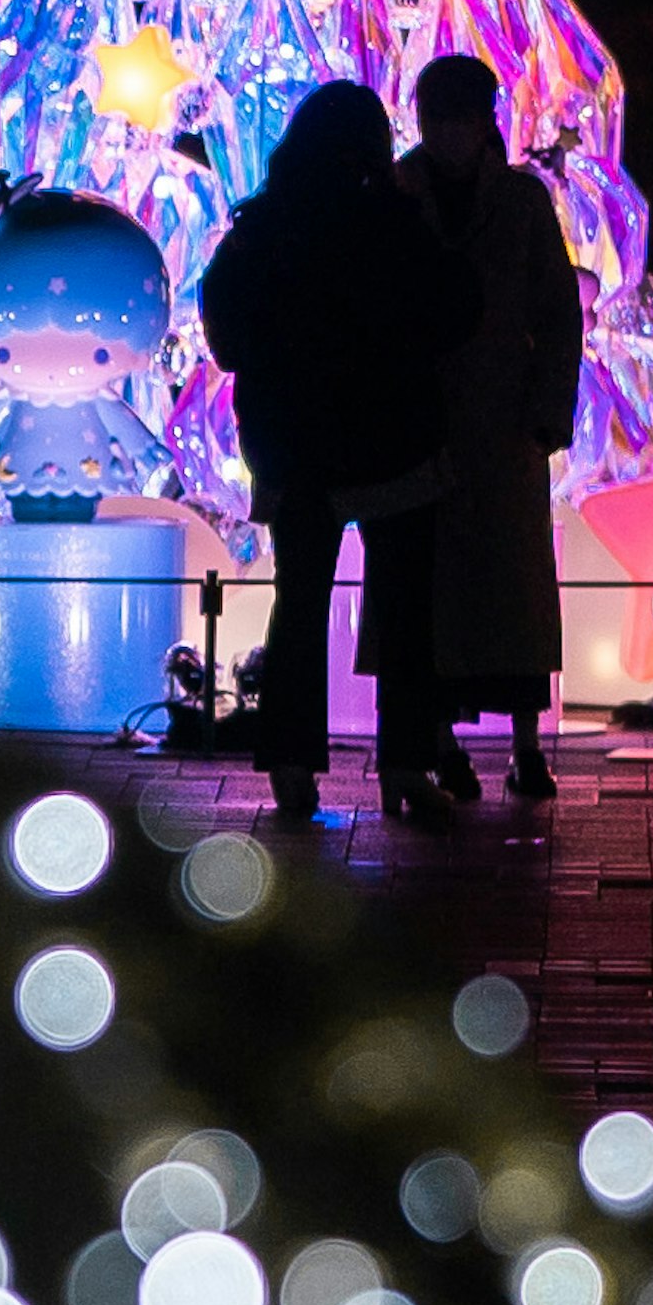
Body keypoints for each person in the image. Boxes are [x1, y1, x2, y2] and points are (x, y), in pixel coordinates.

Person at [198, 79, 481, 830]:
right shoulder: (392, 220)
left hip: (295, 450)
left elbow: (225, 330)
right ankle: (405, 765)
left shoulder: (263, 228)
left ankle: (292, 766)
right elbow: (455, 309)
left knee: (299, 605)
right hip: (393, 440)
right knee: (404, 607)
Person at [400, 48, 586, 804]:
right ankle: (440, 744)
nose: (445, 135)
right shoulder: (401, 191)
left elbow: (558, 314)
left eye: (459, 121)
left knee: (512, 594)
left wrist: (547, 413)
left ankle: (524, 746)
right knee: (432, 595)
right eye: (435, 120)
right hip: (422, 425)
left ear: (484, 125)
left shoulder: (520, 202)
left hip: (504, 423)